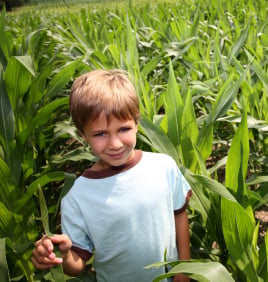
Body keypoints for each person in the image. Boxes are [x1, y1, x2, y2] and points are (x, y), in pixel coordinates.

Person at [31, 69, 192, 282]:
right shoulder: (78, 195)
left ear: (137, 122)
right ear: (82, 135)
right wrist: (64, 254)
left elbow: (179, 215)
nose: (115, 144)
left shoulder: (163, 166)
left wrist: (183, 270)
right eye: (100, 134)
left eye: (123, 129)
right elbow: (76, 266)